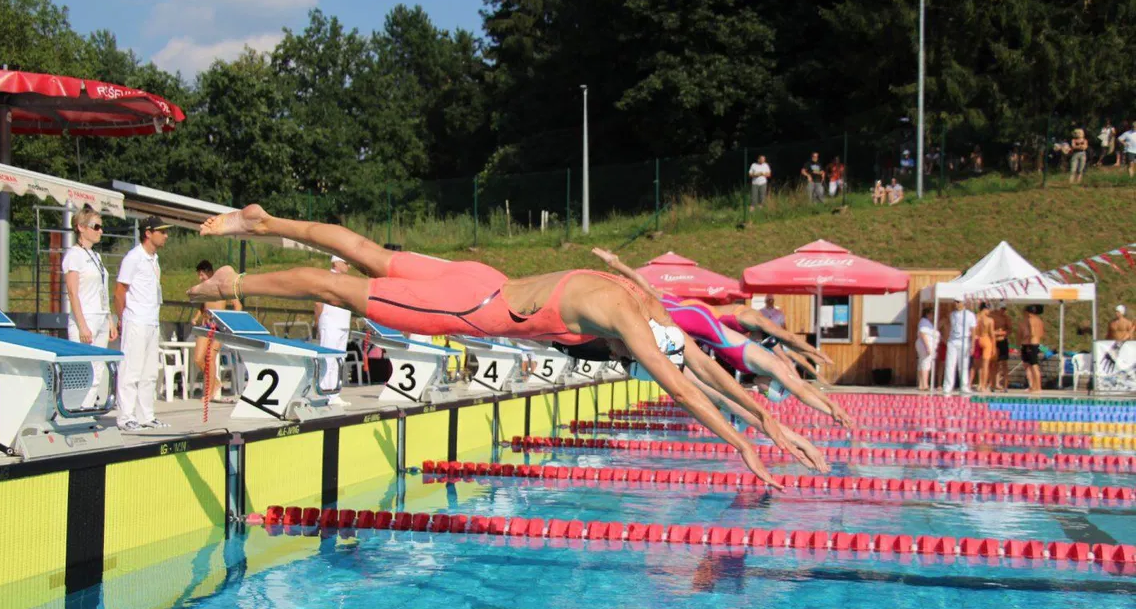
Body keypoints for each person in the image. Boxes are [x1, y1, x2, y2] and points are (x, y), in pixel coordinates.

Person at [188, 205, 819, 487]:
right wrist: (744, 443)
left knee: (369, 252)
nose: (640, 362)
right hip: (473, 307)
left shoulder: (653, 305)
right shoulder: (632, 325)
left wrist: (765, 416)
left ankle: (263, 222)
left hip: (481, 277)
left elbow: (704, 367)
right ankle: (235, 280)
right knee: (344, 289)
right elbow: (684, 385)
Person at [591, 250, 850, 427]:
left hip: (687, 317)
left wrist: (616, 264)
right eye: (764, 390)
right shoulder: (762, 360)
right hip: (690, 318)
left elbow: (791, 361)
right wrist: (832, 408)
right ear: (772, 385)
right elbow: (799, 385)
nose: (759, 390)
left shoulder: (756, 361)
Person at [115, 216, 170, 431]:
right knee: (131, 370)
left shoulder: (153, 258)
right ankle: (125, 416)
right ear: (148, 233)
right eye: (161, 231)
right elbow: (120, 291)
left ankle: (146, 415)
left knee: (150, 372)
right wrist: (122, 319)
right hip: (135, 320)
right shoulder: (133, 258)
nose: (165, 236)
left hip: (151, 321)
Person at [63, 205, 117, 409]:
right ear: (81, 227)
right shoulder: (74, 255)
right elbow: (73, 293)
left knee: (98, 369)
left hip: (101, 315)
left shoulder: (97, 256)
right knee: (82, 368)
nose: (100, 231)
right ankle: (73, 408)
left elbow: (102, 290)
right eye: (96, 226)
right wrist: (82, 324)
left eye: (101, 227)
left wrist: (110, 319)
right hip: (85, 317)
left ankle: (85, 409)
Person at [191, 260, 241, 404]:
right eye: (198, 275)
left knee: (210, 358)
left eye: (202, 275)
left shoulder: (222, 286)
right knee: (198, 359)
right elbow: (203, 306)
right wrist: (196, 317)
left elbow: (237, 305)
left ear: (209, 272)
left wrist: (232, 324)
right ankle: (216, 382)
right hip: (206, 326)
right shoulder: (204, 289)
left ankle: (210, 391)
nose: (200, 278)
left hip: (219, 327)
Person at [315, 255, 353, 392]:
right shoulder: (327, 278)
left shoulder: (347, 281)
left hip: (343, 324)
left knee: (339, 361)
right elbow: (318, 303)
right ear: (336, 263)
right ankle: (324, 392)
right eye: (346, 263)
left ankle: (333, 394)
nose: (349, 266)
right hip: (330, 324)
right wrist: (318, 323)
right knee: (327, 360)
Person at [941, 298, 976, 394]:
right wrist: (946, 339)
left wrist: (972, 345)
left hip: (964, 340)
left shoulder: (970, 315)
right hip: (953, 341)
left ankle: (964, 386)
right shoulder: (952, 314)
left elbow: (973, 331)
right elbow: (950, 327)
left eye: (958, 302)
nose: (956, 304)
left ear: (963, 303)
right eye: (955, 302)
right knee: (950, 364)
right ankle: (947, 386)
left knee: (963, 365)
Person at [1018, 304, 1045, 393]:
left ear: (1028, 312)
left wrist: (1027, 339)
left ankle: (1036, 387)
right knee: (1030, 365)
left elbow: (1032, 332)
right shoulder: (1040, 321)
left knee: (1033, 366)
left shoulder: (1031, 320)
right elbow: (1041, 333)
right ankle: (1034, 386)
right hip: (1035, 343)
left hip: (1030, 344)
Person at [990, 302, 1013, 392]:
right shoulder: (992, 316)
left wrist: (1003, 333)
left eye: (1004, 309)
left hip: (1002, 341)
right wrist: (995, 332)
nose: (1003, 311)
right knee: (994, 364)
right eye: (1002, 309)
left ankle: (1005, 386)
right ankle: (992, 385)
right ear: (997, 309)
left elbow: (1010, 329)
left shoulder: (1006, 318)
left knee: (1004, 364)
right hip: (994, 341)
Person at [974, 303, 996, 393]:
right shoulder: (989, 320)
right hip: (986, 339)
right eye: (989, 309)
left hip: (977, 339)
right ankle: (983, 385)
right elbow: (992, 334)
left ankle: (979, 384)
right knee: (985, 365)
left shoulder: (975, 317)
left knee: (978, 365)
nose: (989, 311)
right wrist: (994, 347)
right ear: (985, 309)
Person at [915, 307, 938, 390]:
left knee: (922, 363)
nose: (933, 316)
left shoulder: (926, 322)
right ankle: (925, 384)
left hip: (924, 344)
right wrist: (927, 347)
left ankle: (921, 384)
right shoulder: (924, 322)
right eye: (932, 314)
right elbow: (923, 334)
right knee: (925, 363)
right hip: (925, 344)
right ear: (927, 314)